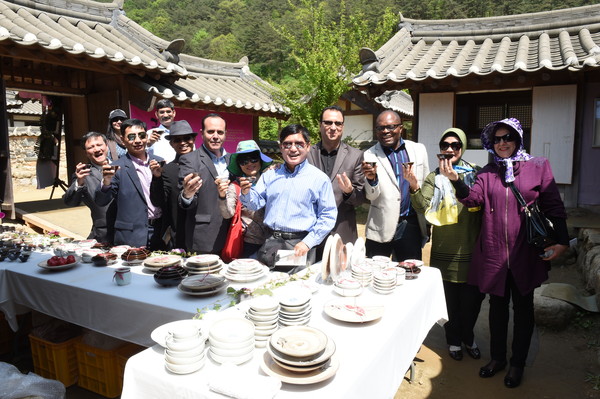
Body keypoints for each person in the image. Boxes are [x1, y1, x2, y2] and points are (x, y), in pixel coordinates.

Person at [441, 118, 569, 388]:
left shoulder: (538, 167)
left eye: (507, 137)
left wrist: (561, 242)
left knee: (523, 310)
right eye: (497, 139)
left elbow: (554, 206)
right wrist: (457, 182)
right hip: (494, 254)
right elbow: (473, 199)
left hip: (526, 253)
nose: (502, 143)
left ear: (519, 139)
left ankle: (517, 364)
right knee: (497, 310)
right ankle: (498, 358)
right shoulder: (487, 173)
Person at [406, 127, 485, 361]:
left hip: (471, 246)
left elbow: (477, 205)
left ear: (462, 148)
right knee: (450, 301)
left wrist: (456, 180)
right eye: (444, 146)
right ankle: (453, 341)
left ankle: (468, 336)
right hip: (444, 249)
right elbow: (422, 206)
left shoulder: (475, 174)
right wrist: (413, 186)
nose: (449, 149)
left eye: (455, 145)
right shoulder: (433, 177)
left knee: (472, 300)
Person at [240, 124, 337, 271]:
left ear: (308, 146)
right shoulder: (270, 174)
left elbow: (328, 215)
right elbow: (254, 204)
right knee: (268, 286)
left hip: (300, 245)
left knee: (295, 288)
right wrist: (246, 193)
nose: (293, 149)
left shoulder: (319, 179)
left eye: (299, 144)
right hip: (271, 241)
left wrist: (308, 242)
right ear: (280, 147)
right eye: (287, 144)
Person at [361, 110, 429, 261]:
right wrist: (372, 179)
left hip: (410, 224)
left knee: (409, 275)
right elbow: (371, 196)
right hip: (380, 225)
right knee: (375, 274)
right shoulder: (369, 155)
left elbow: (425, 187)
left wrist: (426, 221)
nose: (385, 131)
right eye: (380, 128)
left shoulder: (418, 150)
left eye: (391, 127)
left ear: (401, 128)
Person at [95, 118, 164, 249]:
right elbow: (101, 200)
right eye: (131, 137)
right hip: (132, 235)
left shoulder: (160, 163)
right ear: (123, 139)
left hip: (161, 232)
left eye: (141, 135)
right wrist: (106, 181)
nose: (137, 140)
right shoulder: (116, 168)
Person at [307, 105, 365, 244]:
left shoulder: (356, 156)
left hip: (342, 231)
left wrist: (349, 192)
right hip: (309, 232)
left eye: (338, 123)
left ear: (343, 127)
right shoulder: (307, 154)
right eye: (328, 122)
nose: (333, 127)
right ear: (320, 125)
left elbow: (360, 199)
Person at [178, 113, 231, 254]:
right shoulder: (189, 160)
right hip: (205, 236)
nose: (215, 136)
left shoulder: (232, 160)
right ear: (202, 133)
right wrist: (187, 194)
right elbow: (184, 200)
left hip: (232, 233)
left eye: (220, 132)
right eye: (211, 131)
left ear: (225, 134)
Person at [216, 140, 273, 259]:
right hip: (249, 244)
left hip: (273, 241)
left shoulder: (271, 180)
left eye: (253, 159)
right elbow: (227, 214)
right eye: (243, 161)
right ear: (239, 164)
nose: (249, 163)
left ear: (260, 159)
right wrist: (222, 196)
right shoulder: (235, 187)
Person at [150, 120, 197, 250]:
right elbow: (158, 201)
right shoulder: (168, 169)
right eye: (177, 140)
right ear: (171, 144)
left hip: (204, 232)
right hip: (179, 234)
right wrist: (157, 178)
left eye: (187, 138)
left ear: (193, 139)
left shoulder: (205, 165)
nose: (182, 143)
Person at [63, 132, 113, 243]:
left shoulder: (123, 166)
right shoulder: (85, 174)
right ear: (86, 153)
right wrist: (79, 182)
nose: (96, 149)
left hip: (129, 231)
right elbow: (70, 202)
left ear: (107, 146)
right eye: (91, 147)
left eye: (99, 145)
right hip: (103, 234)